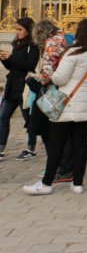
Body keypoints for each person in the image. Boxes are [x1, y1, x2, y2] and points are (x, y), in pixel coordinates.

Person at [23, 18, 87, 195]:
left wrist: (50, 76)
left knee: (56, 145)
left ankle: (46, 183)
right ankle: (77, 183)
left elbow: (59, 78)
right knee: (80, 144)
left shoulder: (73, 53)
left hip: (67, 104)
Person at [27, 20, 72, 175]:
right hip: (68, 87)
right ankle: (63, 165)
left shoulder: (51, 42)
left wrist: (39, 78)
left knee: (48, 129)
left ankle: (59, 166)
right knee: (65, 131)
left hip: (54, 90)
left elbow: (47, 70)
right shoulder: (65, 38)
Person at [0, 17, 39, 161]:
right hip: (12, 86)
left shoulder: (33, 46)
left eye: (20, 30)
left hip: (24, 87)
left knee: (28, 119)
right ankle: (1, 149)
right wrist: (5, 59)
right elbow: (13, 66)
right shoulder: (16, 44)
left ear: (28, 30)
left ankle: (31, 148)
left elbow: (29, 65)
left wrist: (12, 58)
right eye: (16, 29)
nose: (17, 33)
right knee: (3, 117)